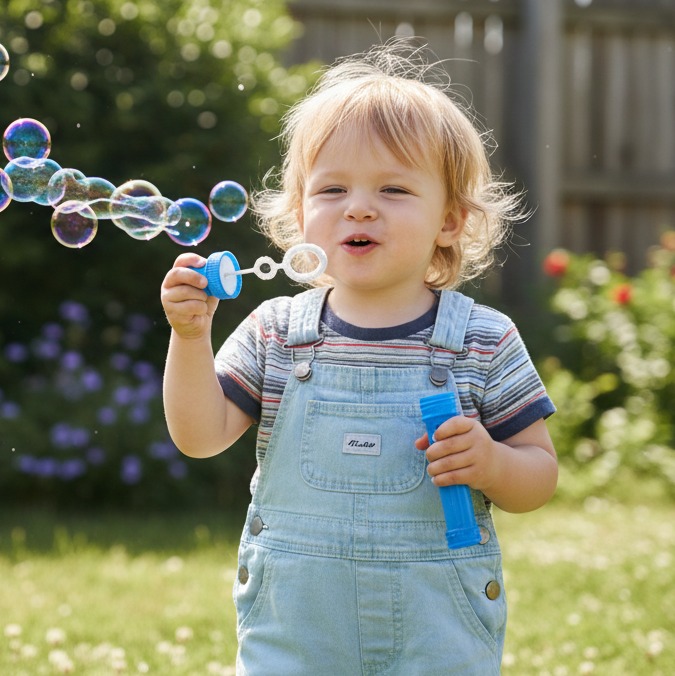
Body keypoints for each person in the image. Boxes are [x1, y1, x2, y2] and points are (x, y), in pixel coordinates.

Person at [160, 42, 558, 675]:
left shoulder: (485, 338)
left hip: (438, 630)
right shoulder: (274, 331)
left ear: (450, 221)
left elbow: (539, 474)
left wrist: (493, 462)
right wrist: (189, 338)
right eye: (333, 188)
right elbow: (199, 436)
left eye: (394, 188)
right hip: (296, 629)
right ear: (300, 216)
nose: (359, 206)